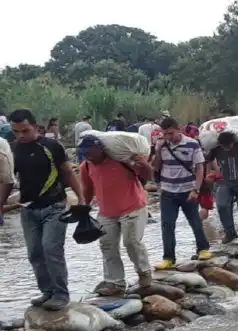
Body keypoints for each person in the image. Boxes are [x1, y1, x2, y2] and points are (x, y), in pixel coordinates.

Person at [0, 109, 85, 311]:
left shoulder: (51, 146)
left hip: (54, 207)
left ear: (36, 127)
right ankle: (47, 291)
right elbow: (8, 181)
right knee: (35, 253)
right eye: (16, 131)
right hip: (28, 209)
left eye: (25, 130)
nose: (21, 135)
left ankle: (61, 294)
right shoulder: (13, 150)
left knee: (51, 250)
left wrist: (81, 198)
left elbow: (68, 172)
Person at [78, 135, 153, 296]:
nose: (88, 156)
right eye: (85, 153)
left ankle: (144, 273)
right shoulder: (86, 166)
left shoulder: (121, 159)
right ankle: (115, 282)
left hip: (133, 207)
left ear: (100, 149)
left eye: (90, 152)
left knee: (131, 242)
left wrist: (144, 164)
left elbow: (148, 175)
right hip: (106, 212)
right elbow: (88, 188)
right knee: (107, 245)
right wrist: (85, 206)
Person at [151, 117, 213, 268]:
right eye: (165, 134)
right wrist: (158, 150)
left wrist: (196, 189)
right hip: (168, 191)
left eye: (171, 133)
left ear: (178, 129)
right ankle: (169, 258)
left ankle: (203, 248)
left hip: (188, 190)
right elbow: (156, 167)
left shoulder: (192, 144)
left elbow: (199, 168)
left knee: (194, 221)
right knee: (167, 225)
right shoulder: (162, 145)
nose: (168, 137)